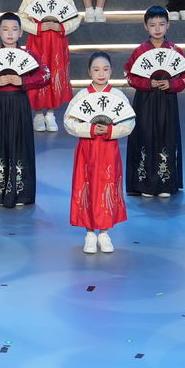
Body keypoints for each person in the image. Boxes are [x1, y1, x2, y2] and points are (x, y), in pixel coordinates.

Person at [0, 13, 51, 207]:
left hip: (20, 103)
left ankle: (22, 194)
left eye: (14, 29)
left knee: (21, 144)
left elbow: (46, 75)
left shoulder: (29, 56)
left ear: (21, 32)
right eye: (5, 29)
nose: (10, 33)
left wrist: (23, 81)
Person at [64, 52, 134, 254]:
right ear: (89, 72)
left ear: (111, 71)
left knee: (107, 187)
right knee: (87, 186)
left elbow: (129, 122)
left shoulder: (118, 96)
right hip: (87, 149)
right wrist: (91, 129)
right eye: (96, 69)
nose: (101, 73)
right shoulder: (82, 96)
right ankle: (89, 233)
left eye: (105, 69)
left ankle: (104, 232)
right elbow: (69, 122)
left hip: (109, 150)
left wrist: (111, 130)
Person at [124, 6, 185, 197]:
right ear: (145, 26)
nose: (157, 28)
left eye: (161, 24)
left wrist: (171, 84)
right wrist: (147, 83)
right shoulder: (140, 51)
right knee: (144, 136)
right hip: (144, 100)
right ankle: (144, 183)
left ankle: (165, 183)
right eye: (153, 25)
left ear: (168, 25)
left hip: (167, 100)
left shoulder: (174, 50)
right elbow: (128, 74)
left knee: (166, 136)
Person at [18, 0, 81, 131]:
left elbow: (75, 18)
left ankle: (51, 113)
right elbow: (21, 18)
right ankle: (38, 114)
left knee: (56, 73)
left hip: (57, 41)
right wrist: (38, 27)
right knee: (37, 73)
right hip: (37, 40)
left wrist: (61, 27)